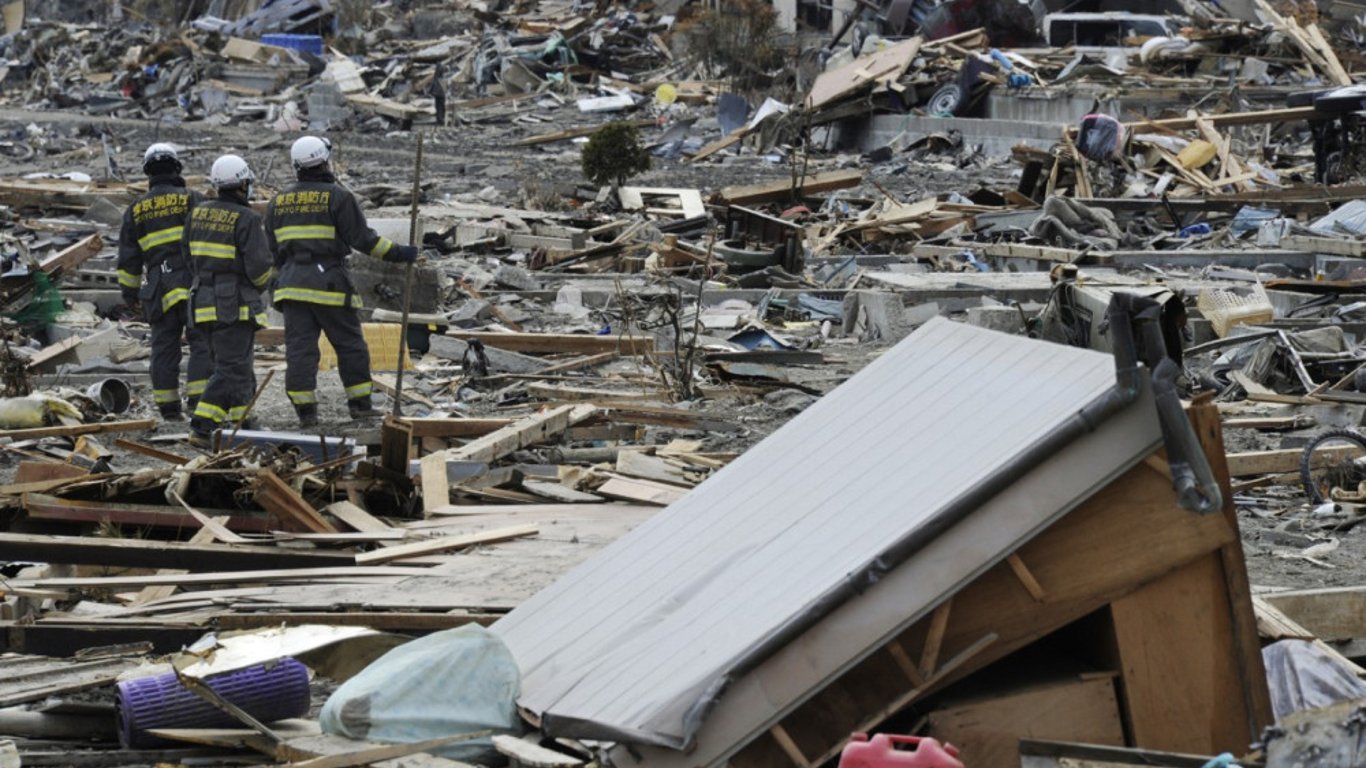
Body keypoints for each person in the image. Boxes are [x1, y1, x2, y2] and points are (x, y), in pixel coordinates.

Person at [265, 136, 417, 428]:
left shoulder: (277, 202)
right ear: (324, 161)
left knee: (300, 351)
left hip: (291, 287)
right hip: (329, 286)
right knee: (350, 346)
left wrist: (276, 287)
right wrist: (401, 254)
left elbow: (273, 252)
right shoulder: (338, 197)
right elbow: (364, 240)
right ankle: (360, 406)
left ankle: (306, 414)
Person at [116, 143, 211, 420]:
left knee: (164, 348)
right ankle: (199, 400)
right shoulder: (193, 199)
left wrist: (131, 295)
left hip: (158, 287)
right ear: (177, 168)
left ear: (148, 173)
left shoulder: (135, 210)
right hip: (195, 282)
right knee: (201, 342)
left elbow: (128, 260)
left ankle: (169, 409)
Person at [185, 154, 274, 446]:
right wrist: (256, 290)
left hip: (200, 301)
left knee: (237, 364)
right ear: (241, 185)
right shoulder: (247, 218)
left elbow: (188, 258)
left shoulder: (197, 212)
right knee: (232, 368)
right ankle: (202, 425)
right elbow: (260, 266)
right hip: (231, 304)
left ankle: (243, 420)